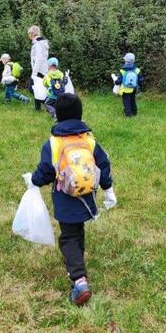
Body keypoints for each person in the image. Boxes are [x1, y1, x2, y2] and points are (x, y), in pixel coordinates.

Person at [26, 93, 117, 306]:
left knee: (68, 237)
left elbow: (46, 171)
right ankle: (77, 262)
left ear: (57, 115)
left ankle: (79, 280)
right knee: (77, 231)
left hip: (65, 199)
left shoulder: (53, 143)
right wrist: (109, 190)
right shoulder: (89, 141)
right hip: (87, 197)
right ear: (80, 115)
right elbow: (103, 165)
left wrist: (33, 180)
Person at [114, 52, 142, 117]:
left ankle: (128, 115)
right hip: (134, 89)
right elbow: (140, 79)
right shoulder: (137, 70)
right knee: (133, 100)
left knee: (126, 102)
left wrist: (116, 82)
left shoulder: (122, 70)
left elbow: (119, 80)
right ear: (133, 61)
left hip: (125, 89)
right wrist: (140, 86)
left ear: (125, 61)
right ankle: (134, 112)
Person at [28, 25, 49, 111]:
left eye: (29, 33)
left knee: (32, 88)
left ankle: (48, 104)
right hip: (41, 69)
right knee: (37, 88)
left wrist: (34, 73)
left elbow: (38, 59)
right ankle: (37, 108)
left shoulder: (38, 44)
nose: (29, 36)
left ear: (33, 33)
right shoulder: (40, 42)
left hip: (39, 71)